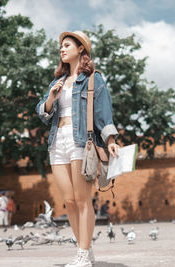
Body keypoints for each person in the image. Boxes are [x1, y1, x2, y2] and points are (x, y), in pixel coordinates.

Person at [36, 31, 119, 267]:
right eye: (60, 47)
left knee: (83, 200)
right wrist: (51, 97)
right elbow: (43, 112)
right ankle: (86, 249)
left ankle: (82, 254)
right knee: (69, 201)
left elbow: (103, 113)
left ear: (81, 49)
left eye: (67, 45)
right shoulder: (56, 83)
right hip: (57, 141)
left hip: (81, 141)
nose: (62, 50)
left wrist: (110, 141)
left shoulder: (94, 79)